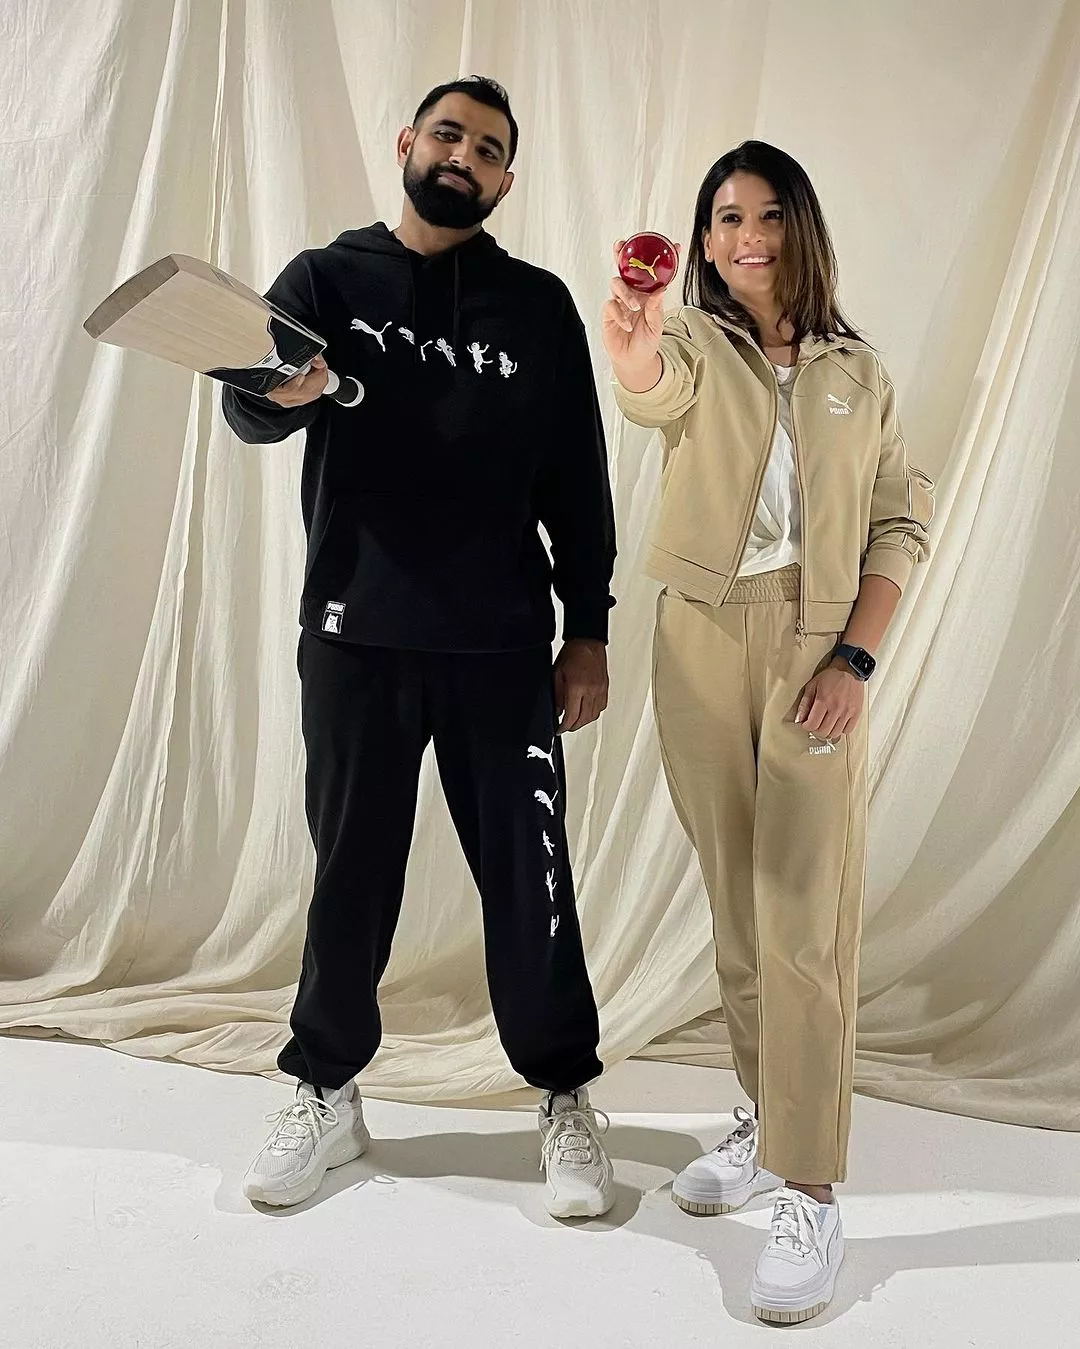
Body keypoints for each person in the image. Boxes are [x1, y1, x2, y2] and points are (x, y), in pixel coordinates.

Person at [224, 76, 617, 1219]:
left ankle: (564, 1092)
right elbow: (248, 408)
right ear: (407, 142)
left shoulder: (537, 307)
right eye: (448, 135)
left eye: (488, 149)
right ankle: (326, 1087)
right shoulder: (323, 280)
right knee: (350, 873)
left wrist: (587, 629)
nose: (464, 156)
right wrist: (284, 392)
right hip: (356, 635)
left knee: (531, 880)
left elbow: (577, 480)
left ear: (506, 181)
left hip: (504, 647)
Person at [603, 141, 934, 1322]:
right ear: (704, 241)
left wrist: (856, 658)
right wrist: (635, 341)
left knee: (804, 917)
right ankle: (762, 1110)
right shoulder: (696, 343)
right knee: (740, 912)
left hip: (815, 645)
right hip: (699, 634)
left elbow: (899, 520)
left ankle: (811, 1188)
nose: (749, 235)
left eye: (770, 213)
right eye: (727, 218)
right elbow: (653, 389)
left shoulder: (859, 373)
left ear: (803, 227)